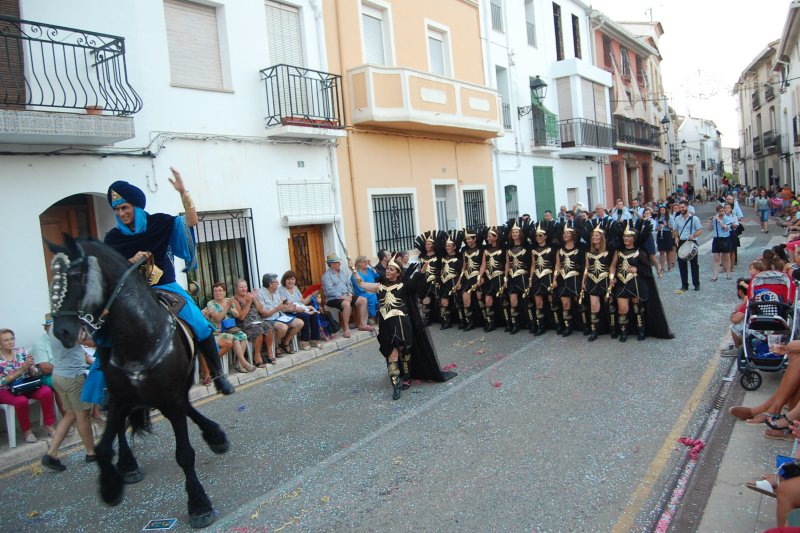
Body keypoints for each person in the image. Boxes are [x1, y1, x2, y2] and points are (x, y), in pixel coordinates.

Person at [104, 172, 234, 394]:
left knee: (201, 325)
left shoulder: (159, 223)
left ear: (135, 206)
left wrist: (183, 192)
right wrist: (128, 260)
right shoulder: (113, 238)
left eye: (124, 207)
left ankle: (217, 374)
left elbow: (191, 222)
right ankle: (112, 390)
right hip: (132, 292)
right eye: (116, 209)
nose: (121, 213)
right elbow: (109, 269)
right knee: (107, 332)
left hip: (165, 287)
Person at [350, 255, 456, 400]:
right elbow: (361, 284)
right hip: (386, 326)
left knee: (404, 351)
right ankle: (396, 385)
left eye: (391, 269)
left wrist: (422, 272)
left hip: (402, 325)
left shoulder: (404, 286)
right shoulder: (379, 287)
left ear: (398, 273)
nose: (388, 271)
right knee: (391, 354)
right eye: (388, 268)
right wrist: (353, 269)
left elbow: (417, 285)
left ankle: (406, 376)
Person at [40, 325, 97, 471]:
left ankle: (51, 453)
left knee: (70, 414)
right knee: (83, 415)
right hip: (73, 377)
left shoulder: (53, 326)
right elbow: (91, 342)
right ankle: (91, 452)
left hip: (59, 375)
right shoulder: (68, 327)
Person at [612, 221, 673, 341]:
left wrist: (637, 269)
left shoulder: (640, 252)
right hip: (621, 283)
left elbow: (647, 269)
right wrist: (611, 277)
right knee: (622, 308)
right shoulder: (618, 251)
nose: (626, 238)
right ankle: (624, 331)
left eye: (629, 236)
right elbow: (613, 265)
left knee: (637, 308)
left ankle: (641, 330)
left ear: (634, 238)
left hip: (635, 283)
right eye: (625, 236)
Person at [0, 328, 56, 443]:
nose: (11, 342)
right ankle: (27, 431)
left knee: (46, 391)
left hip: (25, 384)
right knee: (21, 401)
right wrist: (21, 370)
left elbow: (33, 373)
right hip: (5, 389)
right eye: (6, 340)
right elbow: (2, 382)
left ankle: (48, 424)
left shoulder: (21, 352)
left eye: (12, 338)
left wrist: (31, 367)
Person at [204, 282, 254, 373]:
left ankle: (239, 363)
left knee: (243, 336)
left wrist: (233, 310)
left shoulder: (228, 300)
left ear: (224, 292)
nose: (218, 293)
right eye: (215, 291)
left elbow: (237, 314)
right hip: (218, 331)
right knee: (234, 337)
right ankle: (244, 362)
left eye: (220, 291)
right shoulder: (211, 304)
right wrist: (227, 307)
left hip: (230, 329)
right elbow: (218, 318)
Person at [322, 254, 373, 338]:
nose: (339, 264)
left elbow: (348, 284)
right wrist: (343, 297)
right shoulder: (326, 276)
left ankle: (362, 324)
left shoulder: (342, 273)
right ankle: (346, 328)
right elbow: (329, 291)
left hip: (346, 295)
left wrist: (350, 293)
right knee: (346, 304)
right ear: (331, 264)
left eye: (339, 262)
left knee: (363, 300)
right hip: (333, 298)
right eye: (337, 262)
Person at [582, 220, 615, 341]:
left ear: (601, 237)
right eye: (593, 236)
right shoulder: (588, 251)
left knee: (609, 304)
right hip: (591, 280)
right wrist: (583, 281)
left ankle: (612, 328)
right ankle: (594, 330)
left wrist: (612, 278)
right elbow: (586, 268)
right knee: (594, 306)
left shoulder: (609, 250)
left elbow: (613, 265)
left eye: (597, 235)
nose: (595, 237)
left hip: (605, 279)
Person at [231, 279, 275, 366]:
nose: (244, 289)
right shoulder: (234, 300)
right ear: (236, 288)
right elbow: (241, 317)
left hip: (257, 321)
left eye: (245, 287)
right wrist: (248, 303)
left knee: (269, 326)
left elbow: (261, 310)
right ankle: (257, 355)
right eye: (241, 287)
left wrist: (254, 299)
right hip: (245, 324)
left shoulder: (250, 296)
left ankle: (269, 352)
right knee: (258, 330)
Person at [553, 221, 586, 337]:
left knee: (579, 303)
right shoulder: (560, 250)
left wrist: (583, 281)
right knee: (565, 304)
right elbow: (558, 265)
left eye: (568, 233)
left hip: (576, 278)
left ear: (573, 235)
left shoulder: (580, 248)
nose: (565, 235)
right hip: (563, 279)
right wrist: (554, 279)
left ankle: (584, 325)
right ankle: (568, 327)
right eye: (564, 233)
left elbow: (584, 266)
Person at [257, 273, 304, 355]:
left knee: (300, 323)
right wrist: (276, 309)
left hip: (279, 316)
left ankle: (285, 342)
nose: (278, 284)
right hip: (268, 319)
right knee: (283, 328)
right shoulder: (260, 294)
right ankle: (274, 346)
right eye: (276, 282)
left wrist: (292, 308)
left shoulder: (276, 292)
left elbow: (282, 306)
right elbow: (263, 314)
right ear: (270, 284)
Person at [279, 271, 322, 350]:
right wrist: (297, 309)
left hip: (300, 309)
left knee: (314, 314)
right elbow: (285, 303)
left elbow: (303, 302)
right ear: (284, 280)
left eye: (292, 279)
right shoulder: (281, 289)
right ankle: (304, 340)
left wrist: (311, 295)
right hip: (289, 311)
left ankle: (315, 339)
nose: (290, 281)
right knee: (305, 315)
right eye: (288, 279)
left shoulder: (295, 288)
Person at [529, 221, 558, 335]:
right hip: (537, 277)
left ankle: (557, 324)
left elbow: (556, 264)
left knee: (552, 301)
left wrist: (554, 279)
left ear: (545, 236)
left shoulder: (552, 249)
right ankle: (541, 326)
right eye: (536, 235)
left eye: (540, 235)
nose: (538, 237)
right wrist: (530, 279)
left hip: (548, 276)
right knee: (538, 302)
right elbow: (533, 265)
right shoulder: (534, 250)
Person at [504, 219, 531, 334]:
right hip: (512, 276)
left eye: (517, 232)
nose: (515, 234)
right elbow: (507, 263)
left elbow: (531, 263)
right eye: (513, 232)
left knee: (526, 301)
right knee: (513, 301)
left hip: (523, 276)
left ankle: (530, 323)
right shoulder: (508, 248)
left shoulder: (526, 247)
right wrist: (505, 278)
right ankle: (515, 324)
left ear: (520, 233)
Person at [477, 226, 505, 332]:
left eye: (489, 236)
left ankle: (508, 322)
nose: (487, 238)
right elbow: (483, 265)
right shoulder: (486, 250)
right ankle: (490, 322)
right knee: (488, 299)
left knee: (502, 300)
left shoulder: (502, 249)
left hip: (499, 277)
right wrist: (480, 277)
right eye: (487, 236)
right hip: (488, 277)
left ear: (496, 237)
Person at [672, 200, 703, 293]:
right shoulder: (677, 218)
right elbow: (675, 230)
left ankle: (696, 284)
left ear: (687, 207)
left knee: (694, 264)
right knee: (682, 265)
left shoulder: (694, 218)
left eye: (683, 207)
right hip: (681, 242)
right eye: (680, 208)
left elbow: (700, 230)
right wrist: (676, 237)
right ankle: (684, 285)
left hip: (691, 241)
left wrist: (693, 235)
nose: (681, 209)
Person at [457, 228, 482, 331]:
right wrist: (459, 280)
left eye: (469, 239)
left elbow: (483, 265)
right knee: (465, 300)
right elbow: (464, 266)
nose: (467, 241)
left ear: (474, 239)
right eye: (466, 239)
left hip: (477, 276)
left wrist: (481, 277)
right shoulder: (464, 250)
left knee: (481, 299)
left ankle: (486, 321)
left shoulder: (481, 249)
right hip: (466, 277)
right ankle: (470, 323)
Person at [437, 230, 462, 330]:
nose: (447, 248)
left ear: (454, 247)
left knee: (457, 302)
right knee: (444, 302)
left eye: (449, 246)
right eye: (446, 246)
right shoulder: (443, 257)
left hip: (454, 281)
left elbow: (461, 272)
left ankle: (462, 321)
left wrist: (459, 282)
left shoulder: (458, 258)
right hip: (444, 282)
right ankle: (446, 321)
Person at [414, 231, 439, 326]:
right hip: (424, 280)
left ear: (433, 245)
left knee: (437, 300)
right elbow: (420, 269)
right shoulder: (422, 256)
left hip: (435, 280)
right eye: (426, 244)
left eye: (429, 244)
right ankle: (427, 319)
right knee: (425, 299)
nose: (427, 246)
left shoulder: (438, 256)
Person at [720, 279, 749, 358]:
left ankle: (738, 348)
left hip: (753, 330)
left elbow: (735, 320)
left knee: (735, 327)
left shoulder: (747, 301)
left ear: (740, 291)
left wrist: (735, 311)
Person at [709, 204, 732, 282]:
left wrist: (719, 220)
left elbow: (726, 228)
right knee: (716, 258)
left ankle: (728, 274)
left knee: (726, 258)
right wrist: (710, 221)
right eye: (719, 211)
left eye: (722, 211)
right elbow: (710, 229)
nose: (721, 212)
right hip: (716, 239)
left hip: (725, 238)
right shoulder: (714, 219)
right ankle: (715, 275)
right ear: (717, 212)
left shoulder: (727, 218)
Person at [351, 256, 379, 320]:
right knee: (372, 296)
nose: (366, 263)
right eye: (364, 261)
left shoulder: (369, 270)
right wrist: (373, 291)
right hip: (362, 293)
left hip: (373, 290)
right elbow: (360, 287)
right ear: (359, 263)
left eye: (367, 261)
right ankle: (371, 317)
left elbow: (377, 275)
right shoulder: (356, 274)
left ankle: (378, 316)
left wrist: (371, 265)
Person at [655, 205, 675, 276]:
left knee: (669, 251)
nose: (662, 212)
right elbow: (656, 228)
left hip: (667, 234)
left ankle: (669, 267)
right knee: (661, 252)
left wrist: (667, 225)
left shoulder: (670, 217)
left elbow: (673, 228)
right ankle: (662, 268)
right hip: (660, 234)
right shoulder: (658, 218)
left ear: (666, 211)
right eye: (661, 210)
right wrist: (660, 226)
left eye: (663, 210)